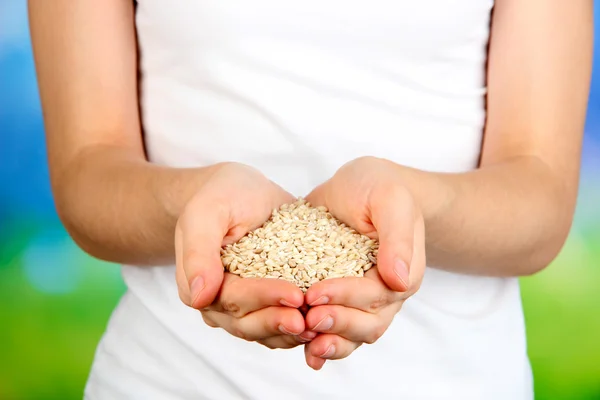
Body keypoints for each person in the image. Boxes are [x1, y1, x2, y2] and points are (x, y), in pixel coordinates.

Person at [28, 0, 592, 399]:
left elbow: (539, 199)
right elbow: (88, 172)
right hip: (169, 379)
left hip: (457, 383)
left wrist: (412, 206)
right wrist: (191, 203)